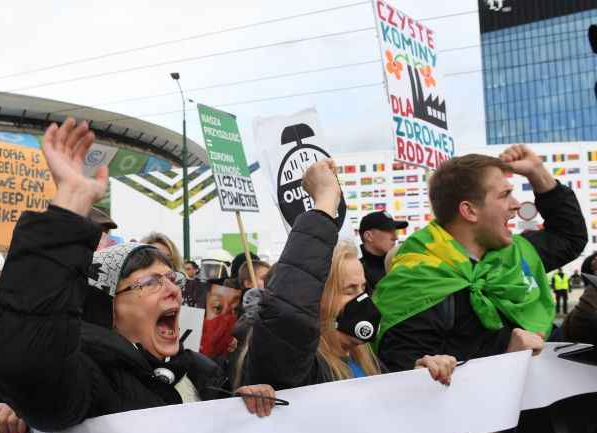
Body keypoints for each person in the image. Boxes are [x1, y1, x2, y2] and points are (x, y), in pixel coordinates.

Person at [0, 118, 279, 433]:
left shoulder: (203, 375)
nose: (173, 290)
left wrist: (242, 405)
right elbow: (30, 359)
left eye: (171, 278)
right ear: (108, 306)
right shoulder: (91, 382)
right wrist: (70, 201)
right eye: (150, 282)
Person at [240, 159, 456, 389]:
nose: (362, 299)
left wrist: (416, 378)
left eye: (363, 288)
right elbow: (289, 312)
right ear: (316, 297)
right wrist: (325, 198)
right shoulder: (300, 366)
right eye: (349, 290)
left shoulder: (364, 358)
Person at [375, 145, 587, 373]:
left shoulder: (515, 253)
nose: (516, 204)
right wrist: (510, 361)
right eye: (505, 195)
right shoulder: (418, 282)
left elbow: (569, 236)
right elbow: (408, 385)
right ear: (470, 211)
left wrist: (537, 172)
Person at [358, 211, 408, 291]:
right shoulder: (354, 269)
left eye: (395, 231)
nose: (395, 237)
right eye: (388, 230)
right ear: (368, 236)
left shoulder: (400, 264)